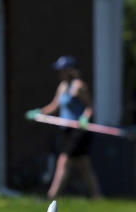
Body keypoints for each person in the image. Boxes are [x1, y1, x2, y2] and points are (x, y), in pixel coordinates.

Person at [26, 55, 102, 199]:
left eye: (62, 70)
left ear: (70, 70)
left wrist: (85, 118)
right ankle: (97, 196)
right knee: (83, 165)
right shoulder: (62, 86)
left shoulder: (79, 87)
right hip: (66, 130)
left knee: (63, 161)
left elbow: (90, 106)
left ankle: (51, 196)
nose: (59, 73)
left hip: (79, 130)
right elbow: (54, 106)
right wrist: (39, 112)